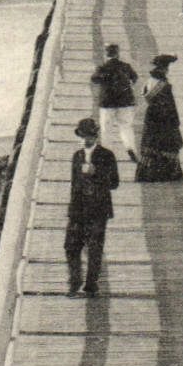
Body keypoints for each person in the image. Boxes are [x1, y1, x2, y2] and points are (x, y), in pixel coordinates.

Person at [65, 117, 119, 298]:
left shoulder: (107, 155)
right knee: (71, 246)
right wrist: (71, 210)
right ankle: (74, 282)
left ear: (95, 137)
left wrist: (97, 173)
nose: (85, 140)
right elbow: (74, 184)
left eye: (88, 136)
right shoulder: (77, 156)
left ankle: (91, 285)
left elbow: (114, 183)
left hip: (98, 208)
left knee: (95, 247)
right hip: (78, 208)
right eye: (82, 136)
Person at [136, 55, 183, 182]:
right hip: (165, 117)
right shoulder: (164, 85)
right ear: (164, 69)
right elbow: (170, 105)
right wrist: (175, 121)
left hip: (151, 115)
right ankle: (167, 173)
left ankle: (149, 173)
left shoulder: (148, 82)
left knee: (151, 143)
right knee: (166, 144)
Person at [90, 44, 139, 163]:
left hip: (107, 103)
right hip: (125, 102)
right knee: (126, 127)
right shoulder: (125, 66)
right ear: (118, 53)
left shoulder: (103, 67)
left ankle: (107, 154)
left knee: (107, 129)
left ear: (106, 54)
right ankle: (130, 148)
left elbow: (94, 79)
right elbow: (135, 78)